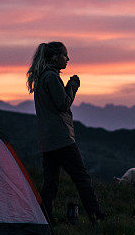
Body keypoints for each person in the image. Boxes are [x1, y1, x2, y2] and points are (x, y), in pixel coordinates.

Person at [27, 41, 106, 225]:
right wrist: (73, 86)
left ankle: (44, 219)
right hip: (61, 138)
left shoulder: (40, 79)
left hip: (47, 140)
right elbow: (62, 104)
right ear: (55, 57)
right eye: (65, 55)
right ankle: (97, 217)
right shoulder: (51, 77)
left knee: (50, 183)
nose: (68, 58)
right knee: (82, 177)